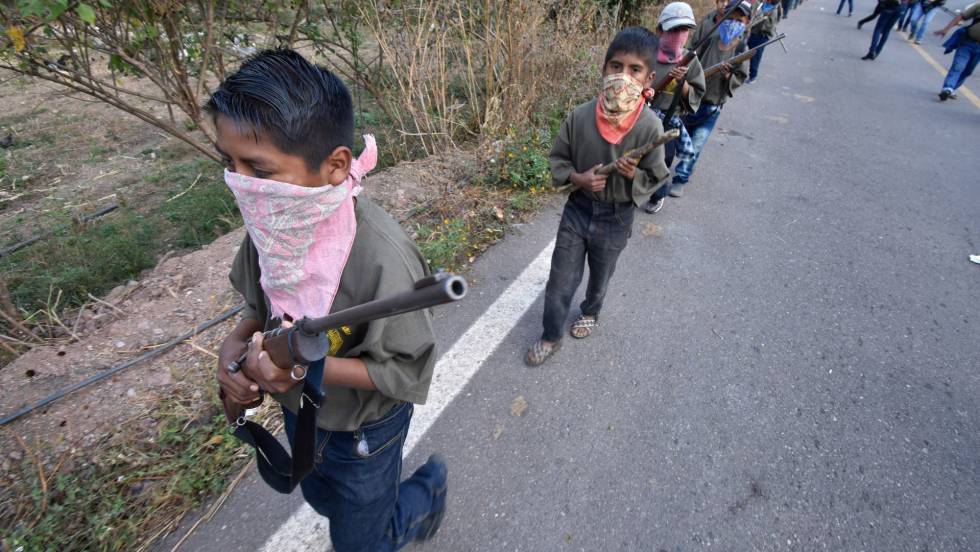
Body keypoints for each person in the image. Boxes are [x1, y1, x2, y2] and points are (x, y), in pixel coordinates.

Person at [211, 49, 447, 551]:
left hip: (365, 432)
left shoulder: (382, 258)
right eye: (228, 163)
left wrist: (302, 365)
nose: (240, 184)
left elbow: (405, 373)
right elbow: (261, 307)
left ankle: (422, 497)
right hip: (302, 415)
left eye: (257, 167)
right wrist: (234, 347)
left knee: (361, 538)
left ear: (336, 165)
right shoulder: (270, 225)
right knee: (326, 501)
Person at [525, 27, 671, 366]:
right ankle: (550, 335)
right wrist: (578, 177)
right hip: (578, 210)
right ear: (603, 69)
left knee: (601, 274)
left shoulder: (650, 128)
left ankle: (591, 309)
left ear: (649, 78)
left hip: (617, 217)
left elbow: (657, 177)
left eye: (635, 70)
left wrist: (633, 173)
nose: (623, 76)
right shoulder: (579, 117)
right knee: (561, 278)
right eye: (616, 66)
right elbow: (557, 161)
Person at [669, 0, 753, 199]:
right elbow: (691, 60)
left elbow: (740, 77)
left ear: (746, 21)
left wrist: (727, 76)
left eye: (738, 19)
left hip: (712, 106)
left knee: (697, 143)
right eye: (730, 17)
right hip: (690, 100)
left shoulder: (742, 48)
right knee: (680, 138)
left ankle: (681, 178)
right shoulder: (710, 37)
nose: (733, 21)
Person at [642, 2, 706, 213]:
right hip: (642, 118)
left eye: (684, 30)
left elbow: (696, 94)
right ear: (660, 30)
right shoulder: (646, 54)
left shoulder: (691, 62)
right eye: (673, 30)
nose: (679, 35)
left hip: (669, 123)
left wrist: (683, 82)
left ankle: (658, 194)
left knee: (663, 161)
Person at [934, 1, 980, 100]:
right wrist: (946, 29)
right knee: (958, 66)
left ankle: (952, 89)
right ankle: (947, 88)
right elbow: (961, 17)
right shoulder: (978, 6)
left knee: (968, 71)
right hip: (968, 43)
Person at [747, 0, 782, 84]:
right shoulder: (760, 4)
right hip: (753, 32)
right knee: (746, 53)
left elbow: (772, 23)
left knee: (755, 55)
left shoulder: (777, 8)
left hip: (763, 35)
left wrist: (764, 16)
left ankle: (753, 76)